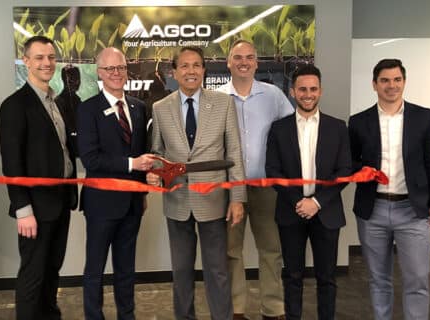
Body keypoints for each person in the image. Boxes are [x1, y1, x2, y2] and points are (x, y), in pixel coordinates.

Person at [147, 46, 246, 320]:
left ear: (203, 70)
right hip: (177, 200)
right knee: (181, 271)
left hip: (213, 200)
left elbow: (234, 152)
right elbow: (157, 153)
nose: (191, 71)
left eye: (196, 65)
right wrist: (156, 171)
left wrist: (238, 198)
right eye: (185, 66)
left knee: (217, 270)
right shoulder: (160, 107)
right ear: (174, 72)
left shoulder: (224, 103)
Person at [348, 59, 430, 320]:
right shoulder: (358, 122)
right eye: (385, 80)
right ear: (374, 84)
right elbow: (349, 162)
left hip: (413, 211)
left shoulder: (425, 117)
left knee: (417, 279)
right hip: (373, 210)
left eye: (397, 80)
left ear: (404, 82)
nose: (392, 86)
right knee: (379, 279)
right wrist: (363, 170)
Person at [0, 35, 78, 320]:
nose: (47, 63)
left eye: (51, 57)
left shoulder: (55, 103)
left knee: (52, 269)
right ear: (26, 61)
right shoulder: (15, 105)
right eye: (40, 58)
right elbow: (12, 164)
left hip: (60, 201)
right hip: (35, 207)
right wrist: (23, 209)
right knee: (33, 274)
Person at [265, 64, 351, 320]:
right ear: (293, 92)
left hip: (327, 212)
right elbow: (273, 171)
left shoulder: (338, 127)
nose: (308, 94)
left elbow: (344, 170)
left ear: (320, 91)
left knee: (327, 278)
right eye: (302, 89)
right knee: (292, 276)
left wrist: (316, 201)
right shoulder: (279, 128)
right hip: (292, 212)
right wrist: (300, 202)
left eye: (313, 89)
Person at [217, 39, 293, 320]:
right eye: (238, 57)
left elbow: (290, 134)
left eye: (249, 57)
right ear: (228, 62)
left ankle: (273, 309)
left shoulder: (273, 96)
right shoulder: (217, 98)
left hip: (266, 188)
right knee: (230, 251)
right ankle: (236, 309)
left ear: (257, 63)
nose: (244, 62)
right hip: (230, 189)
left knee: (271, 249)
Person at [77, 47, 154, 320]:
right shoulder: (87, 109)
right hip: (101, 204)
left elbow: (144, 150)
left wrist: (143, 190)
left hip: (132, 203)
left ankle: (127, 315)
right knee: (95, 270)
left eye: (120, 67)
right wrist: (132, 164)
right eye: (110, 69)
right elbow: (90, 159)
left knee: (126, 269)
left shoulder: (139, 107)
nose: (116, 73)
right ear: (99, 73)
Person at [55, 64, 82, 156]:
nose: (77, 82)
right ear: (64, 80)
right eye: (72, 79)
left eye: (77, 78)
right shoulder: (61, 101)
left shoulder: (76, 100)